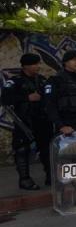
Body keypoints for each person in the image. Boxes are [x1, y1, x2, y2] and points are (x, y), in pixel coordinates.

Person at [2, 53, 52, 189]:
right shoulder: (15, 81)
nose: (37, 66)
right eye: (34, 64)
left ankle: (50, 176)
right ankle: (24, 180)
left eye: (38, 63)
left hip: (42, 120)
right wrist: (26, 97)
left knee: (47, 149)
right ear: (25, 66)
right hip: (24, 122)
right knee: (22, 150)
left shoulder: (42, 80)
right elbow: (5, 99)